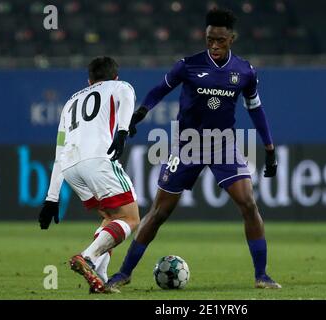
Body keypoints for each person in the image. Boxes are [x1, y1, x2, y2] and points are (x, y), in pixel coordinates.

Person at [107, 8, 281, 291]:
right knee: (159, 213)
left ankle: (261, 275)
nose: (214, 45)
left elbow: (255, 109)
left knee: (249, 203)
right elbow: (158, 91)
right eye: (210, 39)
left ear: (231, 39)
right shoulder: (187, 65)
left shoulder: (245, 71)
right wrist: (138, 115)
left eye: (220, 41)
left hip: (223, 145)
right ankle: (124, 273)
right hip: (187, 144)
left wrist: (270, 149)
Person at [38, 56, 140, 293]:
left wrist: (52, 198)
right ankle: (88, 257)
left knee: (111, 217)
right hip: (98, 160)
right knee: (130, 218)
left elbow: (59, 152)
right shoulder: (120, 86)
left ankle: (100, 279)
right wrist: (123, 132)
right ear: (115, 77)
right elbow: (126, 94)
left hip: (71, 167)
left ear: (89, 80)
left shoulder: (69, 104)